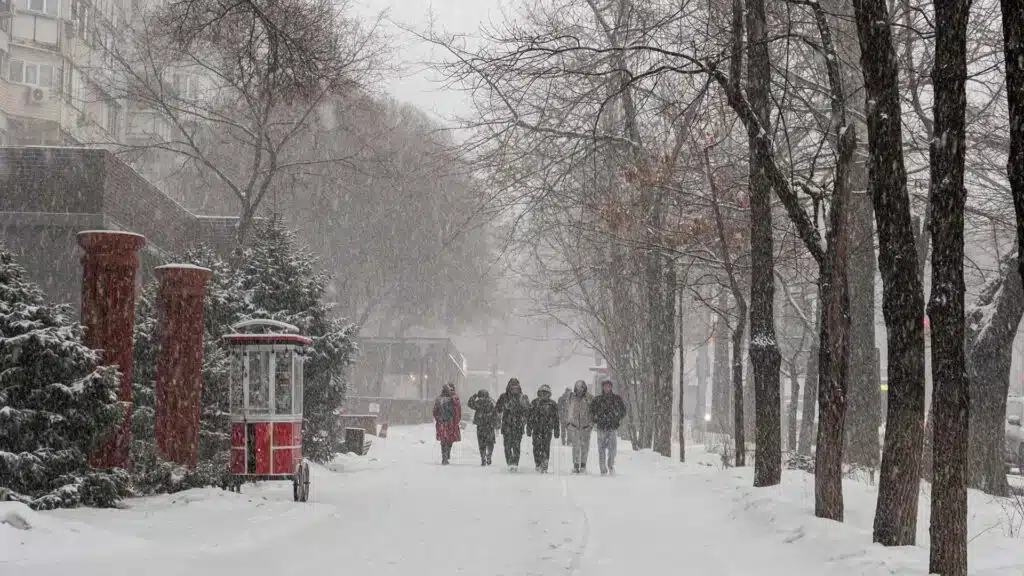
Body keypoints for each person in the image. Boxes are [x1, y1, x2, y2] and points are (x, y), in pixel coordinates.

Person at [591, 379, 627, 475]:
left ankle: (610, 465)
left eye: (609, 386)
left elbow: (623, 411)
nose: (607, 388)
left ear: (611, 387)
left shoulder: (616, 399)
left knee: (613, 450)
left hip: (612, 427)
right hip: (601, 428)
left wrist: (617, 418)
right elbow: (591, 412)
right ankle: (603, 469)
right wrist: (595, 418)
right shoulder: (597, 399)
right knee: (601, 449)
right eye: (605, 386)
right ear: (603, 387)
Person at [495, 377, 530, 471]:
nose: (514, 389)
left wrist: (523, 416)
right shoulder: (504, 397)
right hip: (507, 425)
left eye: (516, 387)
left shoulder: (523, 397)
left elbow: (528, 411)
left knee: (516, 446)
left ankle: (514, 463)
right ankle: (510, 462)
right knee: (507, 446)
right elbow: (497, 409)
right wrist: (504, 407)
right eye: (512, 387)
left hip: (518, 425)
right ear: (509, 387)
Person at [527, 385, 560, 473]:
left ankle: (545, 462)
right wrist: (529, 428)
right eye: (542, 393)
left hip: (547, 429)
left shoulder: (552, 404)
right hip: (536, 429)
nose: (543, 395)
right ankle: (538, 463)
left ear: (549, 394)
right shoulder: (534, 403)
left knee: (546, 447)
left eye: (545, 393)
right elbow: (529, 416)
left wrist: (557, 430)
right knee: (536, 447)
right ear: (539, 393)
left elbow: (556, 418)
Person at [566, 379, 593, 474]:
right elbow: (569, 411)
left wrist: (591, 424)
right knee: (576, 447)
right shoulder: (571, 398)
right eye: (578, 389)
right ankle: (576, 465)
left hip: (586, 426)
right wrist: (569, 422)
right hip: (575, 426)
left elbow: (592, 412)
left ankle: (583, 465)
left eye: (581, 389)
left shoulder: (589, 398)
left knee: (585, 447)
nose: (580, 391)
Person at [432, 383, 462, 465]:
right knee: (450, 439)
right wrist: (456, 421)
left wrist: (438, 420)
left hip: (442, 423)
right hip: (451, 423)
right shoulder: (454, 398)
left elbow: (435, 412)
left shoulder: (439, 399)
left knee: (443, 440)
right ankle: (447, 454)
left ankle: (444, 457)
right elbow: (458, 411)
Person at [468, 389, 498, 466]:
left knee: (481, 443)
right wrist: (495, 424)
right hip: (489, 426)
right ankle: (489, 456)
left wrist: (474, 396)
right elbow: (495, 414)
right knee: (490, 443)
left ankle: (483, 457)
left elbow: (470, 403)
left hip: (480, 426)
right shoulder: (491, 403)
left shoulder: (478, 403)